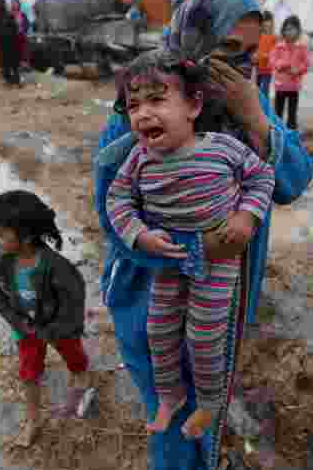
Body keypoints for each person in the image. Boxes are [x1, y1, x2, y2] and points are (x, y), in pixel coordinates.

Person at [94, 0, 313, 470]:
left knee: (209, 391)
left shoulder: (242, 101)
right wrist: (194, 250)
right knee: (170, 404)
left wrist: (257, 118)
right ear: (191, 38)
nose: (236, 68)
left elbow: (292, 180)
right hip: (152, 292)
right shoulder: (141, 109)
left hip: (224, 292)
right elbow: (114, 219)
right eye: (225, 51)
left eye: (247, 54)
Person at [105, 50, 277, 439]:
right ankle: (171, 395)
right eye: (134, 106)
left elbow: (262, 178)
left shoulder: (221, 147)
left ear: (194, 106)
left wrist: (246, 217)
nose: (143, 113)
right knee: (159, 330)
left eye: (157, 100)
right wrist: (139, 234)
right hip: (170, 263)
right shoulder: (138, 159)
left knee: (203, 336)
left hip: (218, 263)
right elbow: (117, 200)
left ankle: (211, 402)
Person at [0, 190, 93, 448]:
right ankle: (34, 420)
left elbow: (73, 306)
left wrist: (57, 330)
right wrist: (19, 324)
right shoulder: (1, 262)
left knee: (73, 353)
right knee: (28, 373)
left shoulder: (57, 268)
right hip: (25, 327)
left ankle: (80, 375)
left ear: (25, 236)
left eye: (1, 234)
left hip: (56, 326)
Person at [270, 15, 311, 130]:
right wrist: (281, 65)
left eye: (292, 29)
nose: (289, 33)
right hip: (280, 86)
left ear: (298, 31)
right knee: (278, 111)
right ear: (283, 31)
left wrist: (297, 70)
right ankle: (277, 130)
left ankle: (291, 131)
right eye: (287, 29)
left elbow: (306, 63)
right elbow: (272, 61)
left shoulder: (301, 47)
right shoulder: (278, 47)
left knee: (292, 113)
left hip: (294, 86)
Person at [0, 0, 21, 86]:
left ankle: (16, 79)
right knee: (5, 63)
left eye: (1, 4)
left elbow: (15, 28)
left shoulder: (9, 15)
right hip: (2, 43)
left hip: (11, 42)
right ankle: (8, 80)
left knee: (13, 62)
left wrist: (14, 38)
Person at [255, 11, 277, 96]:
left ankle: (264, 106)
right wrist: (255, 55)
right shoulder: (257, 36)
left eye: (268, 21)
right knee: (256, 89)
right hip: (258, 68)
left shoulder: (274, 38)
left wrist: (268, 55)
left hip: (267, 69)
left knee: (264, 90)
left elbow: (275, 53)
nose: (266, 24)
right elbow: (254, 49)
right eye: (264, 21)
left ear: (271, 23)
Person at [10, 0, 32, 71]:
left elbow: (27, 24)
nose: (15, 5)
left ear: (18, 4)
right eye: (13, 3)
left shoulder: (22, 14)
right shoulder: (10, 15)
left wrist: (23, 29)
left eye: (16, 3)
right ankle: (17, 64)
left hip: (22, 34)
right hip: (13, 35)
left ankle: (25, 64)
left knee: (26, 44)